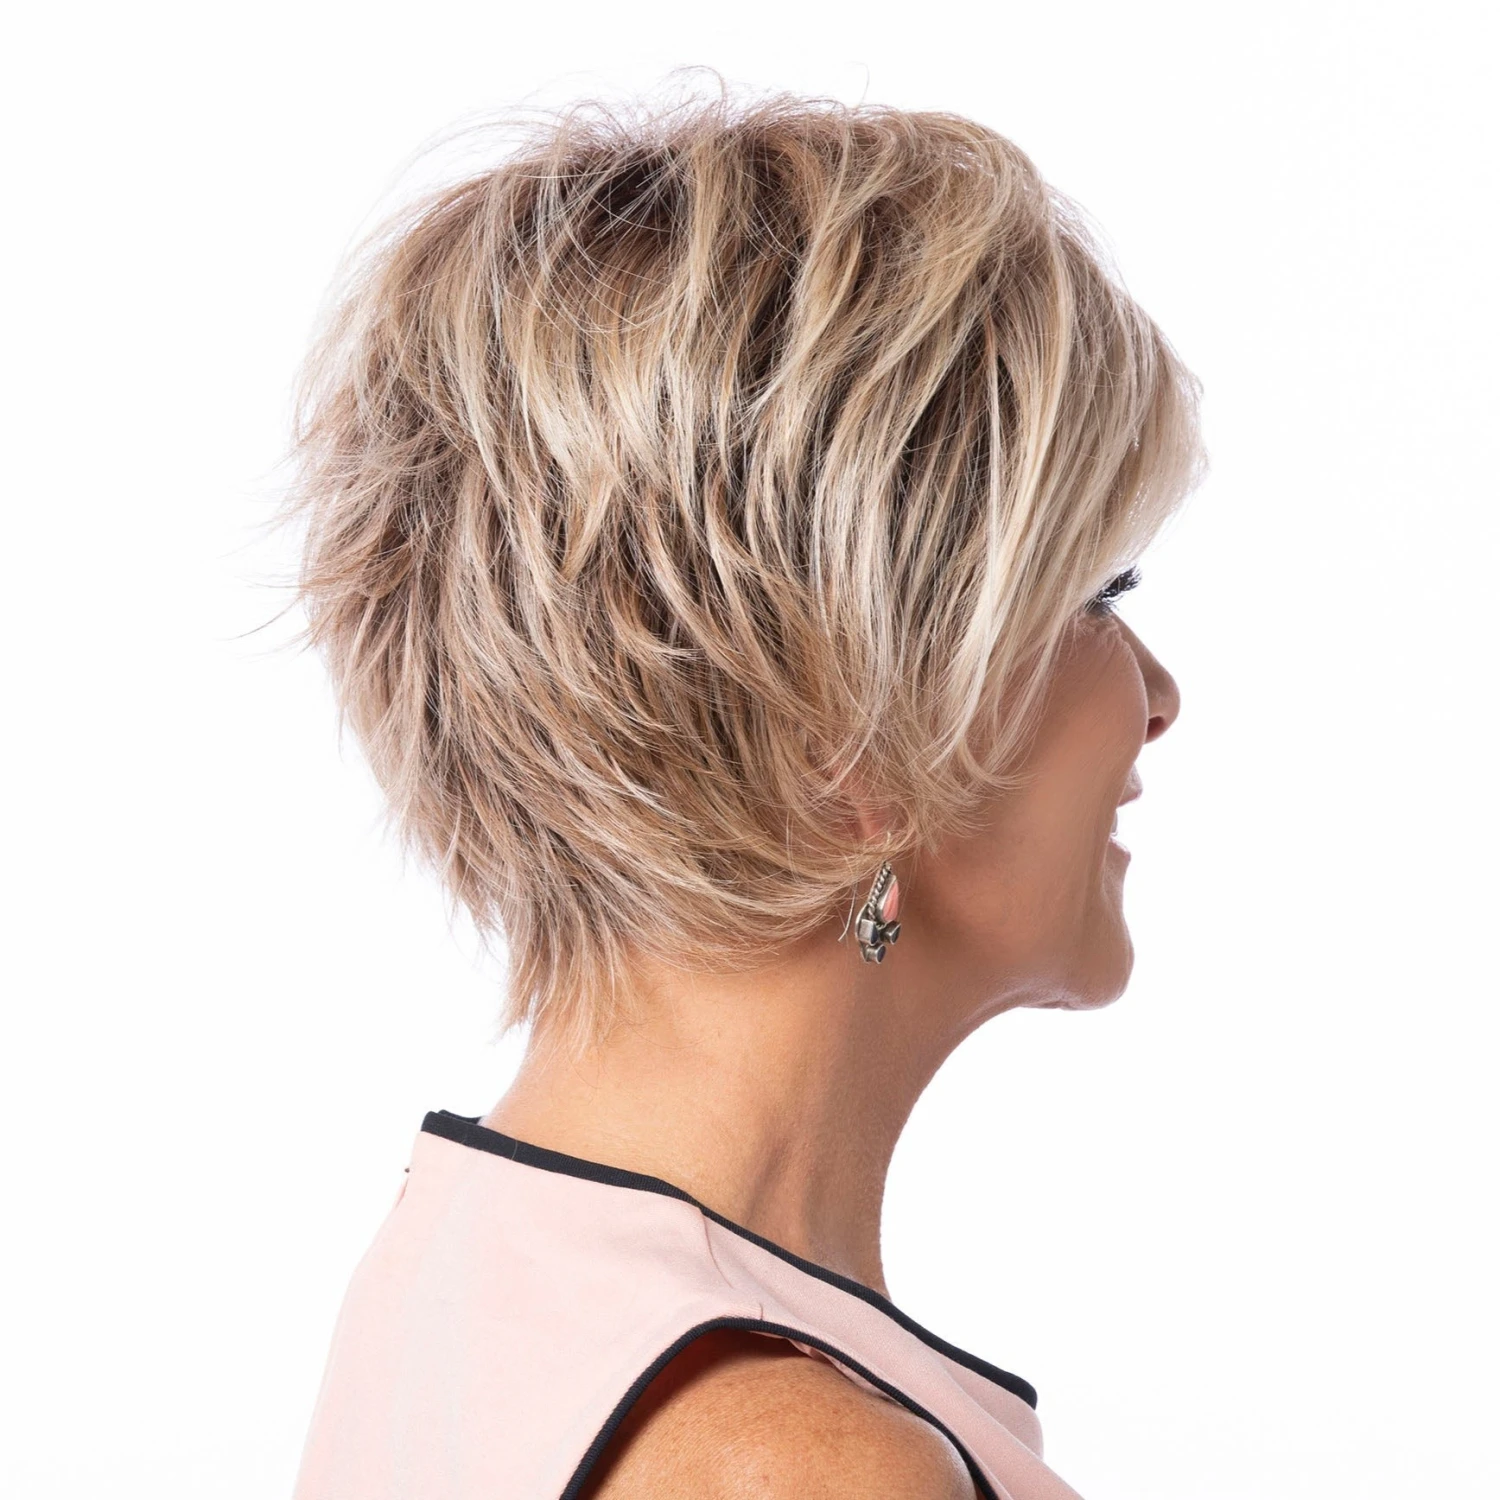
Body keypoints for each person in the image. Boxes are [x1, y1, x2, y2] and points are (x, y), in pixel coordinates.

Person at [284, 84, 1202, 1500]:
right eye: (1095, 597)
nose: (1158, 694)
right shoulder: (796, 1464)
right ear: (851, 745)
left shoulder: (472, 1263)